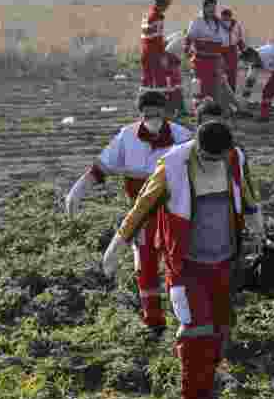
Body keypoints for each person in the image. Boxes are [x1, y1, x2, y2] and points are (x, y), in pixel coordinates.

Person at [102, 121, 262, 399]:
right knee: (195, 331)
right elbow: (143, 205)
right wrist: (117, 244)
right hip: (187, 266)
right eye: (209, 158)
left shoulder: (234, 160)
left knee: (219, 329)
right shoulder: (174, 164)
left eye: (220, 158)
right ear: (197, 149)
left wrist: (259, 230)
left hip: (225, 263)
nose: (215, 163)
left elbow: (249, 199)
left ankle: (209, 380)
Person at [66, 91, 192, 332]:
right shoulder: (128, 136)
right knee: (145, 263)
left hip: (175, 212)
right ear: (140, 114)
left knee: (179, 263)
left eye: (157, 113)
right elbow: (102, 167)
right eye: (147, 114)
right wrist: (80, 188)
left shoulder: (182, 136)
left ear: (165, 113)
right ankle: (153, 320)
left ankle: (188, 321)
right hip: (142, 213)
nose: (152, 118)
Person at [184, 0, 231, 114]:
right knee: (200, 84)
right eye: (210, 7)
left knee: (215, 86)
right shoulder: (197, 21)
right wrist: (187, 51)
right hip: (201, 60)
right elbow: (189, 38)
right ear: (204, 7)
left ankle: (213, 110)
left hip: (215, 59)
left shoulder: (218, 22)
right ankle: (199, 110)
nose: (212, 10)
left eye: (214, 7)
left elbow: (225, 40)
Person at [140, 0, 173, 99]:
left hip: (145, 51)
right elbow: (157, 39)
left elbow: (148, 37)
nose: (167, 7)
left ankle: (143, 103)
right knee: (160, 80)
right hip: (154, 53)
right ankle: (162, 106)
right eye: (167, 5)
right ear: (163, 4)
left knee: (147, 80)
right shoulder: (157, 17)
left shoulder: (148, 15)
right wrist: (163, 54)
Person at [220, 9, 246, 93]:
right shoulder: (217, 24)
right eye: (224, 16)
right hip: (219, 49)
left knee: (232, 73)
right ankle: (219, 92)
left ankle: (231, 91)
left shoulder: (236, 24)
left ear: (230, 16)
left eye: (227, 16)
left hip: (232, 49)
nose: (226, 18)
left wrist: (243, 51)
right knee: (219, 72)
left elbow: (239, 38)